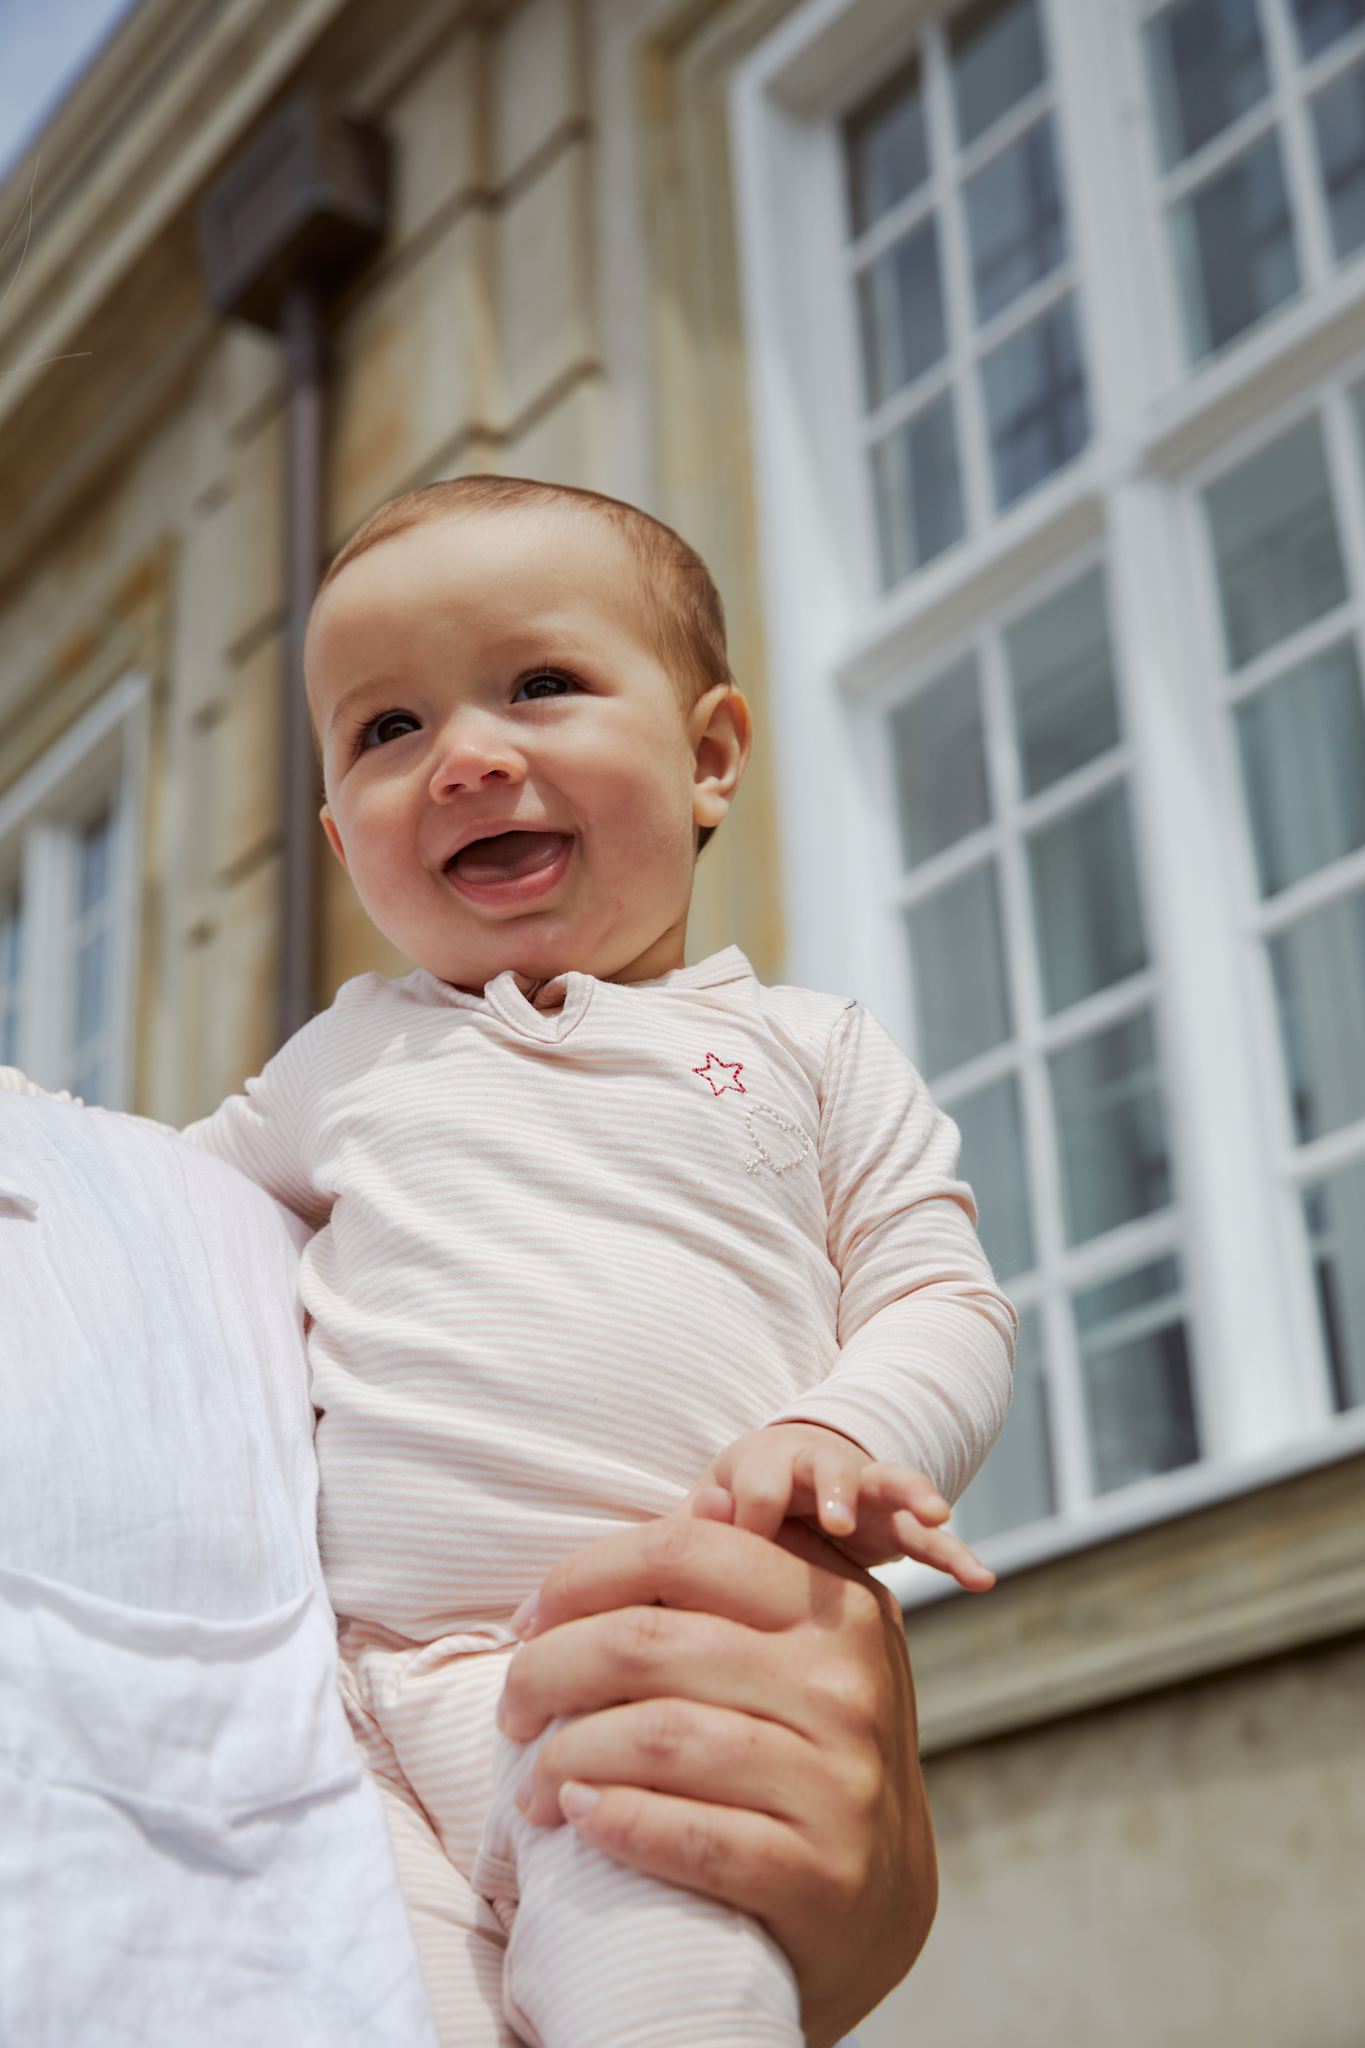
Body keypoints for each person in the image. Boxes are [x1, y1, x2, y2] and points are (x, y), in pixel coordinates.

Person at [3, 474, 1016, 2046]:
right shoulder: (345, 1062)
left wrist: (848, 1434)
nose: (465, 757)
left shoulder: (807, 1053)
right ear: (344, 840)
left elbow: (939, 1296)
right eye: (385, 730)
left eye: (540, 685)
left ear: (709, 755)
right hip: (348, 1728)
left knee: (683, 1998)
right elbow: (133, 1228)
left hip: (645, 1688)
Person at [2, 1087, 936, 2048]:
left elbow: (930, 1286)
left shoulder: (205, 1203)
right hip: (395, 1729)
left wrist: (848, 1427)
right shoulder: (293, 1116)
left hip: (586, 1679)